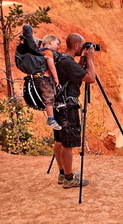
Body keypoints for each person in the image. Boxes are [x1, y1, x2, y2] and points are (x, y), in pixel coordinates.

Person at [53, 33, 96, 189]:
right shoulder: (68, 63)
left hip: (56, 106)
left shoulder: (60, 59)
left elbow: (71, 73)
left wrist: (82, 61)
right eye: (83, 45)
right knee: (68, 144)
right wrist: (89, 59)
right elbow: (91, 78)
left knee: (59, 140)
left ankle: (62, 173)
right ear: (77, 46)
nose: (85, 48)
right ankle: (69, 179)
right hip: (67, 108)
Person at [39, 34, 62, 130]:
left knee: (50, 95)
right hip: (45, 77)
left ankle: (53, 110)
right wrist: (56, 78)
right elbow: (51, 65)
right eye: (57, 44)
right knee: (49, 96)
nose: (58, 47)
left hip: (41, 77)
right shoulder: (47, 52)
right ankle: (50, 119)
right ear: (50, 42)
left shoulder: (41, 51)